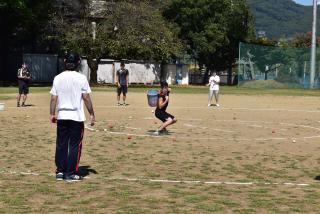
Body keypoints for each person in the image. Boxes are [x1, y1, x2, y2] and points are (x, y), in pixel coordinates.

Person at [50, 52, 95, 182]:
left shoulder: (57, 78)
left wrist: (52, 114)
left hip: (62, 116)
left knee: (61, 144)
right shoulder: (81, 78)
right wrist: (92, 113)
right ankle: (70, 173)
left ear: (65, 62)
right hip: (76, 117)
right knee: (75, 145)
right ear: (78, 63)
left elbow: (53, 98)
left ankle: (60, 171)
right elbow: (86, 97)